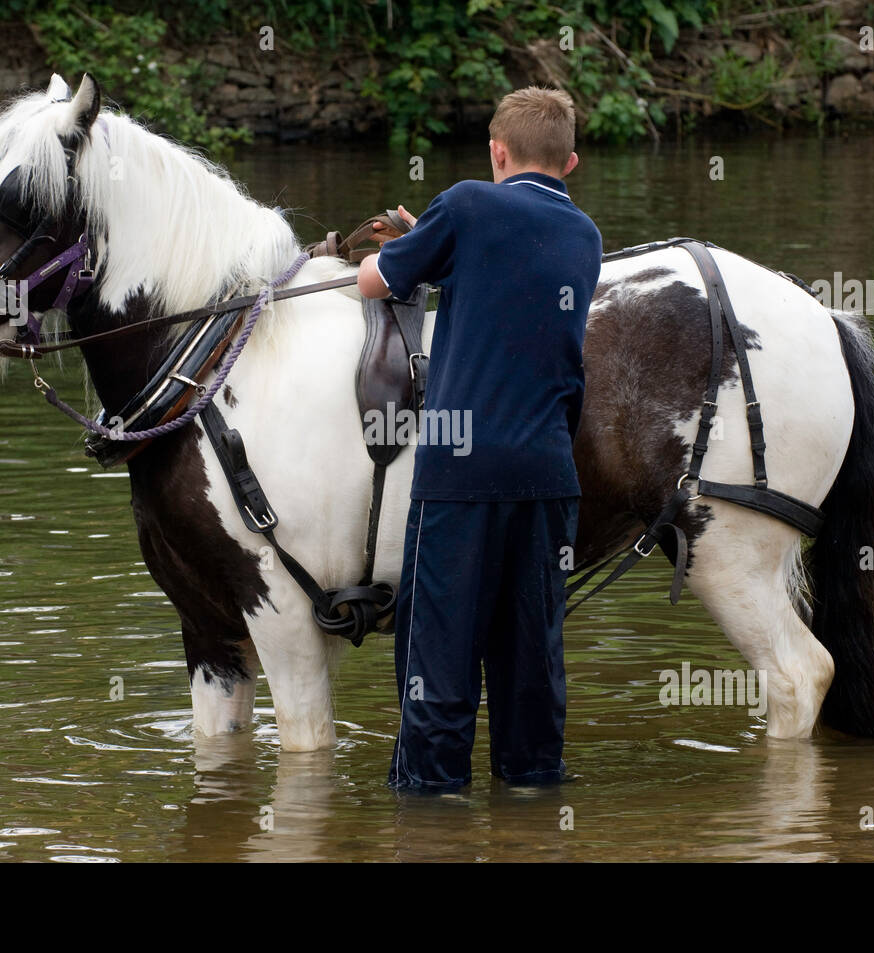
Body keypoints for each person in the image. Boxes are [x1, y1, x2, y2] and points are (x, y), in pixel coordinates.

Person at [357, 86, 603, 792]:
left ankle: (431, 810)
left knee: (439, 655)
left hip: (461, 476)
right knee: (532, 661)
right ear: (572, 161)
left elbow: (376, 281)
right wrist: (431, 232)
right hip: (550, 475)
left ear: (497, 151)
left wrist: (414, 243)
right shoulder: (584, 235)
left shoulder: (464, 204)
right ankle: (532, 797)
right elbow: (510, 267)